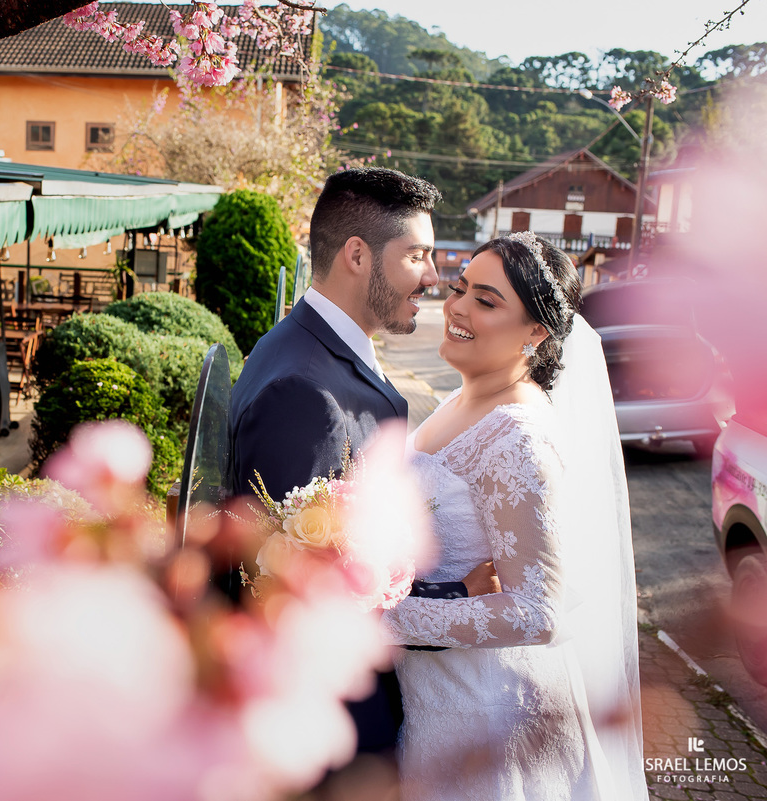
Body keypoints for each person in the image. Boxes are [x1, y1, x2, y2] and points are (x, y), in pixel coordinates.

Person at [227, 167, 497, 759]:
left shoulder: (309, 345)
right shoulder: (303, 392)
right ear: (357, 255)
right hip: (330, 725)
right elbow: (298, 589)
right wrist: (455, 596)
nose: (433, 276)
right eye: (417, 256)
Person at [381, 232, 647, 799]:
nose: (456, 308)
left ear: (536, 333)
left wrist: (383, 618)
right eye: (460, 289)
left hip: (487, 719)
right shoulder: (461, 398)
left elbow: (536, 612)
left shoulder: (518, 436)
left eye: (486, 300)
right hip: (437, 698)